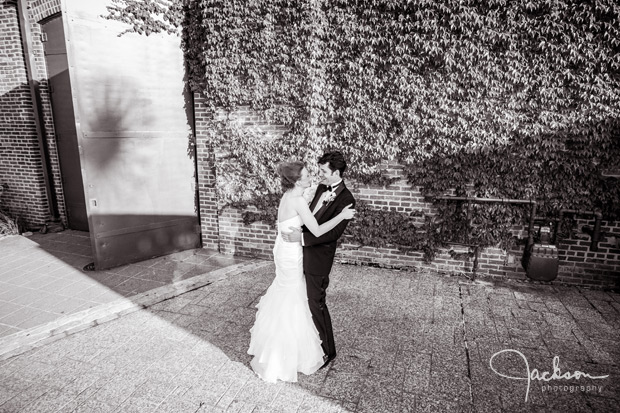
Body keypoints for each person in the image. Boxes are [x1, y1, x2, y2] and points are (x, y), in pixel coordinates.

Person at [247, 160, 356, 383]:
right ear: (297, 181)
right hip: (292, 253)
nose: (311, 178)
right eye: (306, 175)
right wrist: (342, 216)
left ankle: (277, 347)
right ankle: (283, 352)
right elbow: (316, 229)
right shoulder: (297, 200)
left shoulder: (289, 196)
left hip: (284, 250)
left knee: (286, 292)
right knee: (293, 297)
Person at [281, 151, 355, 369]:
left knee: (316, 303)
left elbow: (332, 234)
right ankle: (306, 343)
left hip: (318, 260)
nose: (320, 174)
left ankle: (327, 351)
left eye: (324, 170)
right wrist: (299, 231)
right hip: (299, 254)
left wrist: (301, 238)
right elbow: (311, 216)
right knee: (301, 300)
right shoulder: (322, 188)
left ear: (336, 172)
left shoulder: (346, 200)